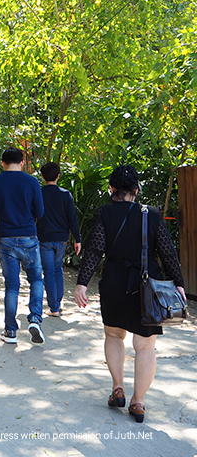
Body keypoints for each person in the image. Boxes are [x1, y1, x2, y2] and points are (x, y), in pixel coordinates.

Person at [74, 165, 186, 423]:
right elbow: (167, 252)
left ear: (111, 189)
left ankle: (118, 389)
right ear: (136, 191)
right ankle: (138, 402)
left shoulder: (104, 213)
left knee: (114, 335)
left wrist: (82, 283)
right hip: (148, 286)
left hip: (114, 282)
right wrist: (178, 283)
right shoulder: (153, 215)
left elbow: (94, 250)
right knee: (145, 346)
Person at [0, 147, 46, 344]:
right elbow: (40, 212)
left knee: (12, 286)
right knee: (36, 279)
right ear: (22, 162)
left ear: (2, 163)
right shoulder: (32, 182)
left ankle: (10, 331)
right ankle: (35, 318)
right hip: (29, 236)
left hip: (6, 238)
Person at [36, 162, 82, 317]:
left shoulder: (39, 193)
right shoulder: (65, 194)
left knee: (48, 272)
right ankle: (58, 302)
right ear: (58, 176)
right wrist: (78, 238)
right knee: (58, 269)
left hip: (45, 238)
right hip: (62, 238)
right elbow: (72, 219)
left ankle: (54, 307)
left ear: (42, 177)